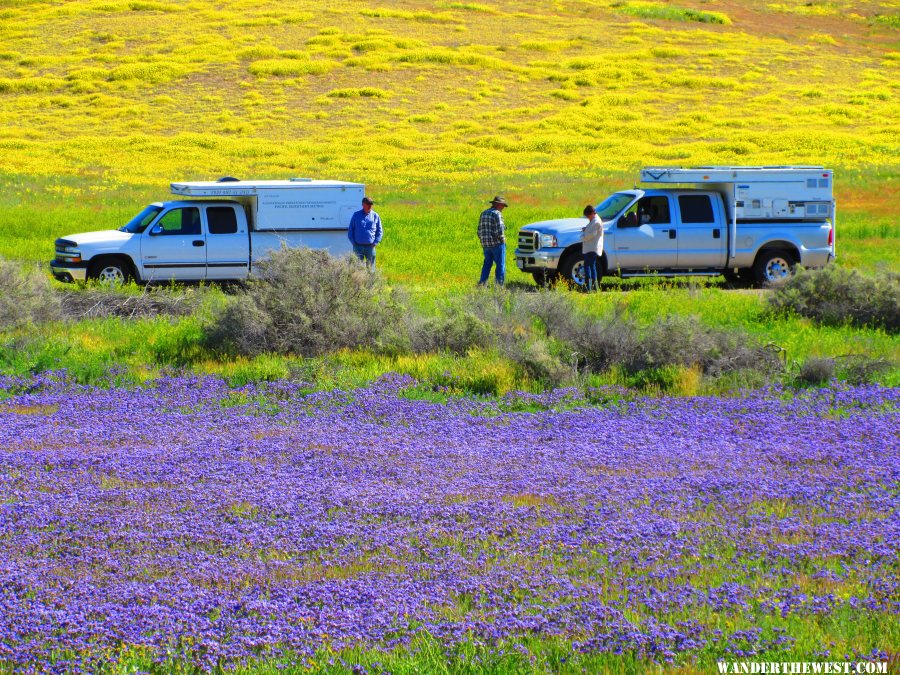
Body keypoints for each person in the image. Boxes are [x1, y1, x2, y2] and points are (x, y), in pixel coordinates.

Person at [477, 196, 508, 286]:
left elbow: (479, 230)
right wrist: (503, 240)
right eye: (502, 206)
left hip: (485, 244)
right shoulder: (497, 214)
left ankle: (482, 283)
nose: (503, 208)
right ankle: (499, 286)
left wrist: (483, 240)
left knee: (487, 264)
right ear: (498, 204)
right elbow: (500, 229)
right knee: (500, 265)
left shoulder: (483, 213)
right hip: (497, 244)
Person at [347, 196, 382, 268]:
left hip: (370, 247)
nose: (370, 206)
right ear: (363, 204)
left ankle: (371, 279)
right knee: (357, 269)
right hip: (358, 247)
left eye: (371, 204)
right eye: (368, 204)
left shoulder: (375, 216)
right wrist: (354, 243)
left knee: (371, 269)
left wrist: (375, 242)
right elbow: (350, 230)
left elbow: (380, 231)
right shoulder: (356, 215)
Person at [581, 204, 603, 292]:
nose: (588, 218)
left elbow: (591, 234)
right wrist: (586, 229)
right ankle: (595, 287)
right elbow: (591, 229)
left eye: (588, 216)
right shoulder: (594, 219)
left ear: (591, 214)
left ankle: (589, 287)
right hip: (591, 247)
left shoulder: (596, 221)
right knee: (592, 265)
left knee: (587, 265)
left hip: (591, 247)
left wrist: (583, 236)